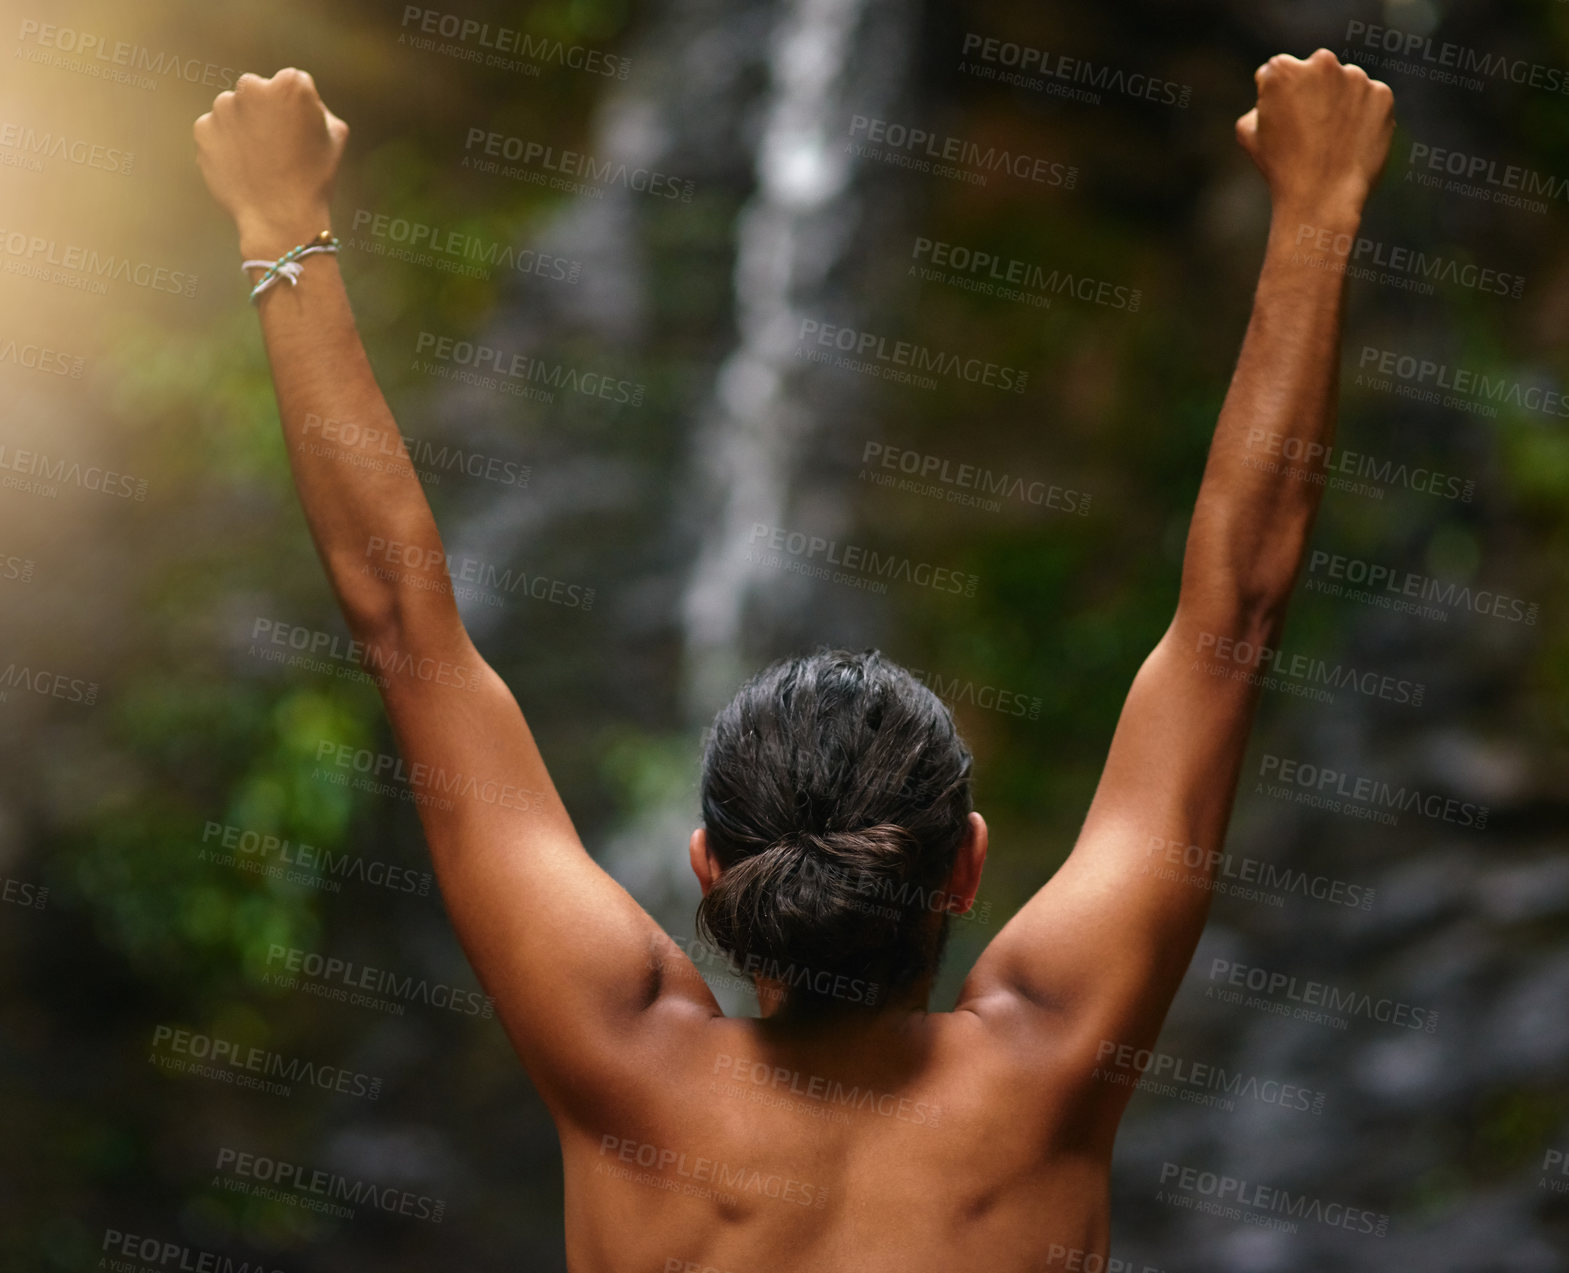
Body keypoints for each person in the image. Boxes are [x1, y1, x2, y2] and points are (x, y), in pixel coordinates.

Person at [193, 47, 1393, 1273]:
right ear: (965, 866)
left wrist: (280, 224)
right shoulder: (1047, 1063)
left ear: (708, 868)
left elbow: (402, 625)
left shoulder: (627, 1067)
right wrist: (1319, 211)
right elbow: (1234, 620)